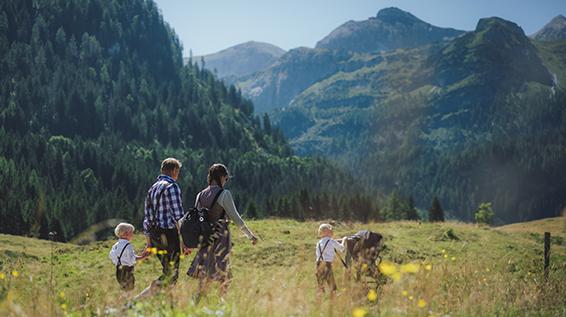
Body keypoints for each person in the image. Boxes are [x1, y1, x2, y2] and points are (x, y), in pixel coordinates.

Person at [187, 163, 258, 300]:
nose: (225, 182)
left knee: (205, 273)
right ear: (221, 177)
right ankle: (222, 304)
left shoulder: (200, 195)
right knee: (223, 274)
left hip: (205, 239)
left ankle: (197, 302)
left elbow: (195, 219)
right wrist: (250, 236)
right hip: (220, 237)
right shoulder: (224, 194)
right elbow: (236, 218)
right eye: (226, 179)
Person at [134, 158, 184, 300]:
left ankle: (167, 306)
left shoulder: (153, 188)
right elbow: (178, 216)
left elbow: (147, 218)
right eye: (178, 172)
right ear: (174, 170)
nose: (178, 175)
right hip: (168, 235)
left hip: (155, 235)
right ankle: (136, 302)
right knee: (171, 275)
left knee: (168, 273)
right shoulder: (172, 186)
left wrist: (149, 242)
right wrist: (185, 240)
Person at [109, 223, 147, 292]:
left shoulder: (116, 245)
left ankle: (124, 301)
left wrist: (117, 262)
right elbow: (131, 259)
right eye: (131, 233)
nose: (133, 235)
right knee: (130, 288)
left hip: (118, 269)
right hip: (128, 270)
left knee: (123, 288)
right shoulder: (128, 245)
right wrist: (141, 257)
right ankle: (130, 302)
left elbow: (111, 255)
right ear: (126, 234)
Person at [315, 223, 346, 294]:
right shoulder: (331, 241)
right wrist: (344, 240)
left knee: (320, 287)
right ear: (326, 231)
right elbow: (342, 248)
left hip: (318, 265)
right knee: (332, 286)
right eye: (330, 230)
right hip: (327, 264)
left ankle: (320, 301)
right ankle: (333, 300)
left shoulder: (318, 243)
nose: (332, 231)